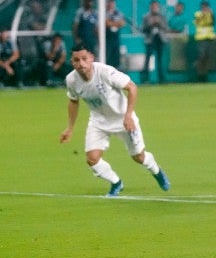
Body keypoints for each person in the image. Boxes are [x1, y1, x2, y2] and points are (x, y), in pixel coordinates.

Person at [59, 43, 170, 197]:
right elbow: (73, 101)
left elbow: (132, 87)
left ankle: (157, 172)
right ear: (72, 62)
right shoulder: (71, 80)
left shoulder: (105, 72)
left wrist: (129, 115)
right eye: (76, 60)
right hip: (98, 122)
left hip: (123, 120)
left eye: (84, 58)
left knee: (139, 157)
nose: (81, 63)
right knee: (92, 160)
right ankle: (116, 183)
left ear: (91, 58)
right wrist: (69, 128)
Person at [141, 0, 169, 84]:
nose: (154, 8)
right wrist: (151, 24)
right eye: (153, 6)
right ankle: (146, 79)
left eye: (156, 6)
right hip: (150, 40)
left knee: (160, 60)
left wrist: (159, 23)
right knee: (147, 59)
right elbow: (142, 29)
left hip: (160, 39)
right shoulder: (146, 17)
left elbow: (166, 28)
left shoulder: (162, 16)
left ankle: (162, 79)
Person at [193, 0, 216, 82]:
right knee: (201, 56)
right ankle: (199, 73)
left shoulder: (211, 13)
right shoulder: (198, 14)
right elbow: (197, 21)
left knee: (208, 57)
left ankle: (205, 74)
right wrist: (204, 14)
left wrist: (211, 14)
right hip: (201, 38)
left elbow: (213, 22)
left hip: (209, 37)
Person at [105, 0, 126, 69]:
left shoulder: (118, 12)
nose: (111, 4)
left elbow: (123, 23)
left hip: (116, 37)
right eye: (109, 2)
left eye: (112, 3)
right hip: (107, 37)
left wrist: (112, 23)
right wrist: (117, 23)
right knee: (108, 56)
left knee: (116, 56)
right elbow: (106, 23)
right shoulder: (104, 12)